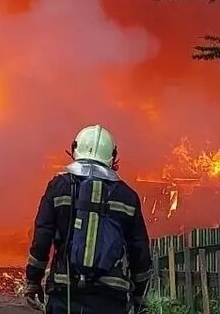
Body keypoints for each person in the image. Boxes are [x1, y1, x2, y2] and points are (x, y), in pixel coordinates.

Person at [24, 125, 153, 314]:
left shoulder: (59, 187)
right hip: (110, 298)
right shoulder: (127, 196)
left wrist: (33, 281)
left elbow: (42, 238)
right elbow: (139, 250)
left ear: (75, 148)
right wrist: (140, 294)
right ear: (113, 155)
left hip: (65, 292)